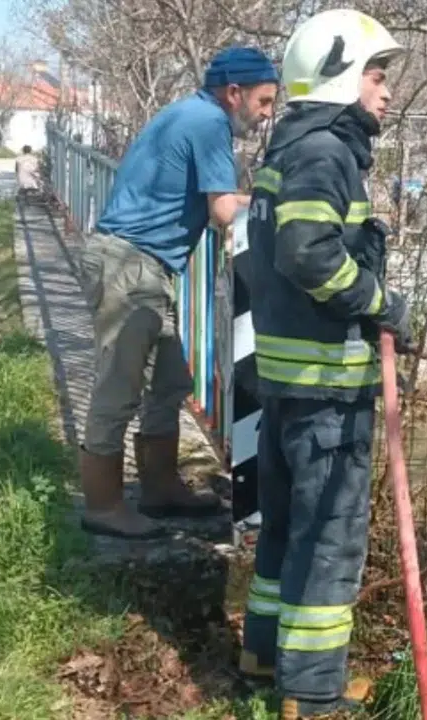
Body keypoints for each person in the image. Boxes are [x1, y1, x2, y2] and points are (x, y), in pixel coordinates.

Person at [238, 9, 414, 717]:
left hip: (289, 385)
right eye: (377, 75)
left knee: (285, 531)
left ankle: (264, 656)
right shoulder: (324, 155)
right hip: (325, 394)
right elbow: (308, 251)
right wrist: (380, 303)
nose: (387, 91)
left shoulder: (292, 148)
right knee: (329, 544)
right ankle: (311, 696)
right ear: (341, 76)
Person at [77, 46, 279, 539]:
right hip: (130, 266)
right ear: (235, 93)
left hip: (141, 266)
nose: (267, 113)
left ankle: (160, 489)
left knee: (170, 381)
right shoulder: (211, 124)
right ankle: (102, 505)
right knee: (117, 388)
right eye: (266, 101)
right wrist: (287, 210)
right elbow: (225, 211)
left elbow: (221, 200)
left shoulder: (190, 112)